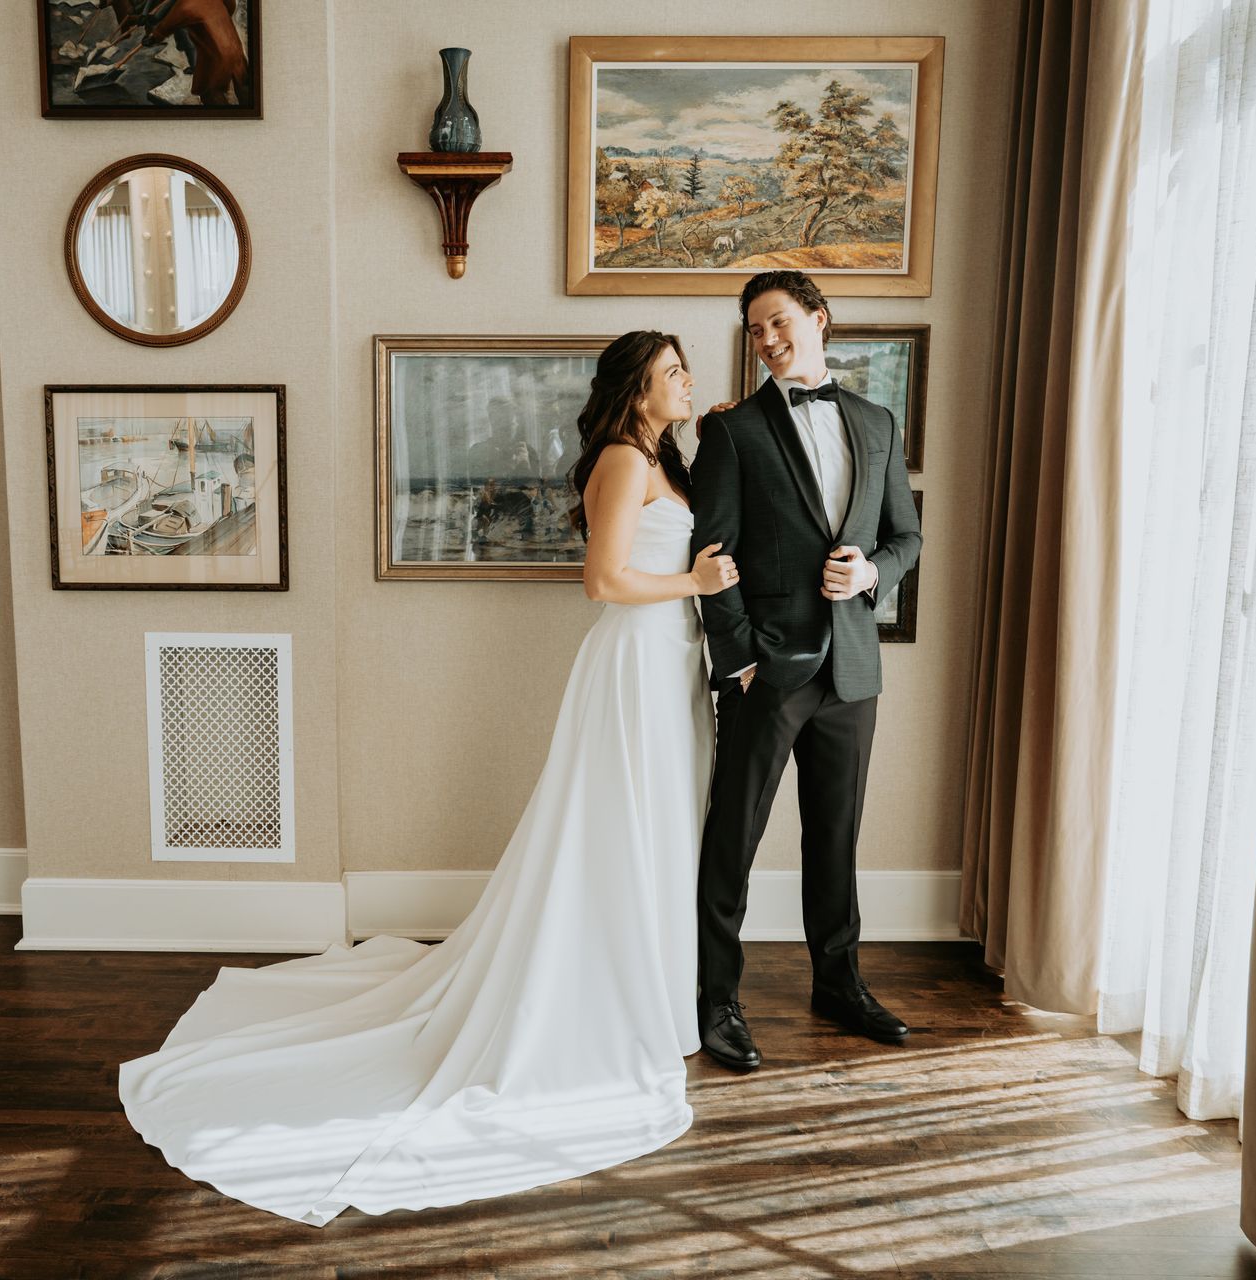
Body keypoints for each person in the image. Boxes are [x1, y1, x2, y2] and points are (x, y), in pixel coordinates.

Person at [118, 331, 739, 1225]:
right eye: (673, 372)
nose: (687, 381)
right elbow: (601, 582)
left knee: (665, 833)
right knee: (622, 830)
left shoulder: (661, 456)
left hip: (672, 664)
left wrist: (716, 439)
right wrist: (693, 579)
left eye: (685, 371)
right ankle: (608, 999)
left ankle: (654, 994)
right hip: (634, 666)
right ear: (636, 391)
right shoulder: (618, 459)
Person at [689, 270, 924, 1070]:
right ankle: (716, 999)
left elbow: (907, 539)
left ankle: (839, 983)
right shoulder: (731, 432)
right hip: (769, 670)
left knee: (836, 837)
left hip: (854, 667)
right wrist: (742, 659)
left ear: (820, 320)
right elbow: (710, 555)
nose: (767, 340)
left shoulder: (875, 420)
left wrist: (870, 576)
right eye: (754, 330)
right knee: (734, 838)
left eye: (779, 322)